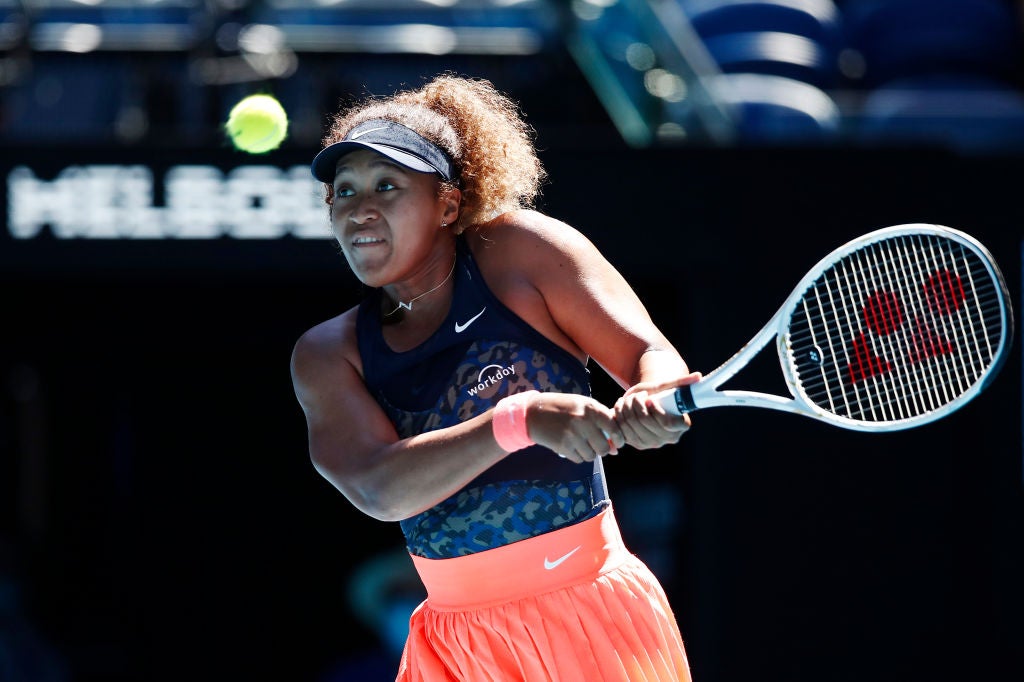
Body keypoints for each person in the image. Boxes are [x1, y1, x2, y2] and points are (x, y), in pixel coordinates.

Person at [290, 73, 701, 682]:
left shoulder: (524, 253)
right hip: (452, 648)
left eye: (387, 184)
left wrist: (651, 395)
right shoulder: (327, 352)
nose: (361, 208)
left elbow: (649, 355)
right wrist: (522, 419)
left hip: (588, 613)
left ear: (449, 203)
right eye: (343, 193)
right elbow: (379, 488)